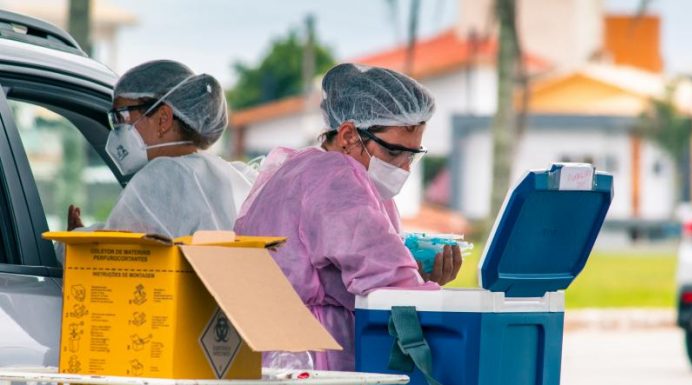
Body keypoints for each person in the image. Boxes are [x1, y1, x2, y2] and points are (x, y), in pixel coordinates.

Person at [234, 63, 462, 371]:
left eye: (411, 155)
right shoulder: (337, 178)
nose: (405, 168)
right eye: (394, 152)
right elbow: (385, 276)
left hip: (270, 352)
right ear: (349, 137)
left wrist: (418, 279)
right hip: (312, 356)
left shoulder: (297, 170)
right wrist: (424, 290)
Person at [67, 60, 247, 239]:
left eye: (121, 115)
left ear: (163, 119)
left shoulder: (162, 177)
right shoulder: (230, 175)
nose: (117, 128)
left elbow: (117, 253)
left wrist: (73, 239)